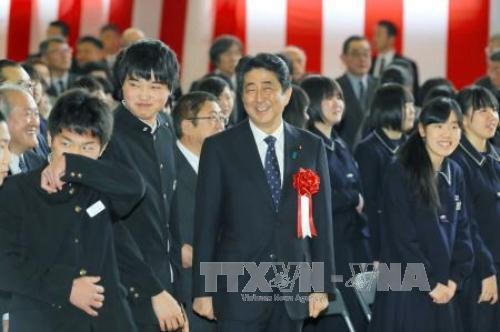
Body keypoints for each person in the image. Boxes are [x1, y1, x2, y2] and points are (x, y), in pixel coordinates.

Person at [191, 53, 335, 332]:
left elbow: (321, 221)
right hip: (236, 292)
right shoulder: (219, 147)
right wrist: (203, 289)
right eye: (250, 89)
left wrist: (321, 285)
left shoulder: (310, 146)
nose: (259, 98)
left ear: (287, 93)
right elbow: (206, 224)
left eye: (268, 88)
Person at [0, 89, 144, 332]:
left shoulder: (101, 186)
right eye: (66, 144)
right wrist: (66, 286)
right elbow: (6, 266)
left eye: (87, 148)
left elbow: (136, 188)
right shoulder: (17, 189)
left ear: (103, 149)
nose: (75, 155)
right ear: (49, 138)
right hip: (42, 319)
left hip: (104, 321)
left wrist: (74, 165)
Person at [369, 97, 474, 332]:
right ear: (421, 129)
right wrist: (429, 281)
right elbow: (401, 238)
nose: (448, 133)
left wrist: (455, 279)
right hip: (405, 284)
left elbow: (463, 231)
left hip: (445, 287)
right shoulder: (400, 170)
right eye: (439, 125)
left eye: (454, 126)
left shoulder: (455, 171)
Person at [103, 39, 187, 331]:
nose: (144, 95)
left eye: (155, 86)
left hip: (168, 281)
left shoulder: (165, 128)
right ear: (121, 85)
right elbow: (110, 225)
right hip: (128, 286)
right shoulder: (107, 135)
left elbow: (169, 214)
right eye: (135, 83)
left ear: (170, 89)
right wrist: (152, 290)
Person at [301, 75, 368, 332]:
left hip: (352, 244)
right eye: (329, 97)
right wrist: (353, 199)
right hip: (327, 248)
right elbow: (315, 196)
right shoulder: (307, 143)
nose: (337, 102)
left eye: (340, 97)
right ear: (313, 103)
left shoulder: (340, 144)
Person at [171, 91, 225, 332]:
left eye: (222, 117)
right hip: (186, 286)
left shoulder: (222, 163)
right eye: (212, 117)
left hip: (226, 283)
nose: (221, 124)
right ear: (187, 126)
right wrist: (173, 247)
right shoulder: (167, 165)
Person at [451, 85, 500, 332]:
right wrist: (486, 270)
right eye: (481, 110)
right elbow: (467, 225)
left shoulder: (495, 157)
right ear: (463, 119)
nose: (491, 115)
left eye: (494, 108)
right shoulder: (458, 163)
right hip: (478, 271)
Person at [354, 83, 415, 262]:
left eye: (413, 106)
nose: (412, 111)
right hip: (384, 246)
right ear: (389, 107)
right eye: (406, 106)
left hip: (411, 240)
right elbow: (370, 205)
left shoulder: (412, 145)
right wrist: (376, 252)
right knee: (389, 288)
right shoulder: (368, 149)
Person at [336, 35, 378, 150]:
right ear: (344, 58)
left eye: (366, 54)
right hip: (344, 154)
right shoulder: (334, 87)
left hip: (374, 155)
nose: (362, 59)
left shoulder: (381, 86)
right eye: (355, 54)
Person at [370, 20, 419, 96]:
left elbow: (414, 94)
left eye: (378, 35)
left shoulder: (407, 64)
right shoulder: (368, 62)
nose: (374, 39)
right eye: (374, 35)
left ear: (391, 39)